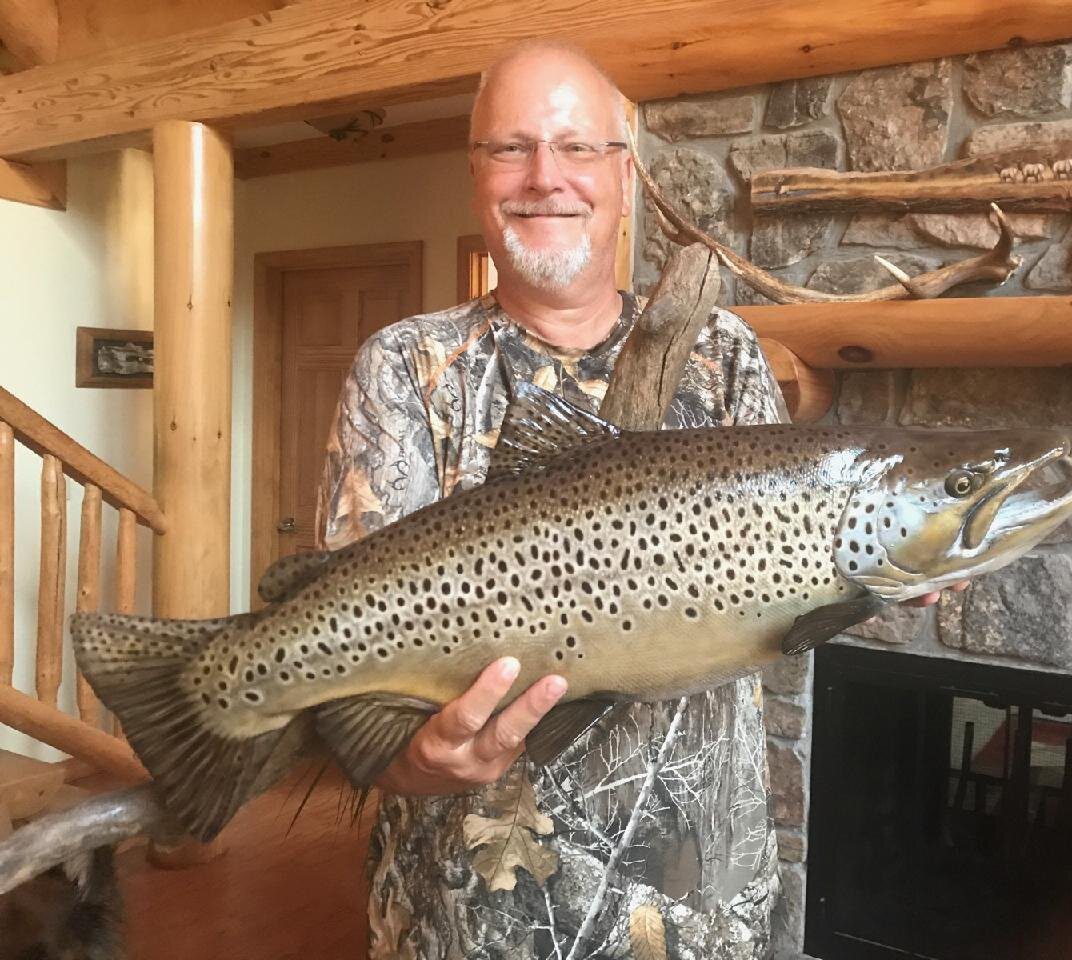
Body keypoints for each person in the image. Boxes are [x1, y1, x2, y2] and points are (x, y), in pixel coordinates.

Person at [318, 41, 956, 959]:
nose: (546, 177)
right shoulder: (404, 369)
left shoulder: (726, 353)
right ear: (475, 176)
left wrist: (897, 570)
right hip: (469, 920)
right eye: (512, 149)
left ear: (626, 177)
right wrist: (407, 764)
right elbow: (352, 646)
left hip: (697, 901)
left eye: (579, 148)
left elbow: (790, 592)